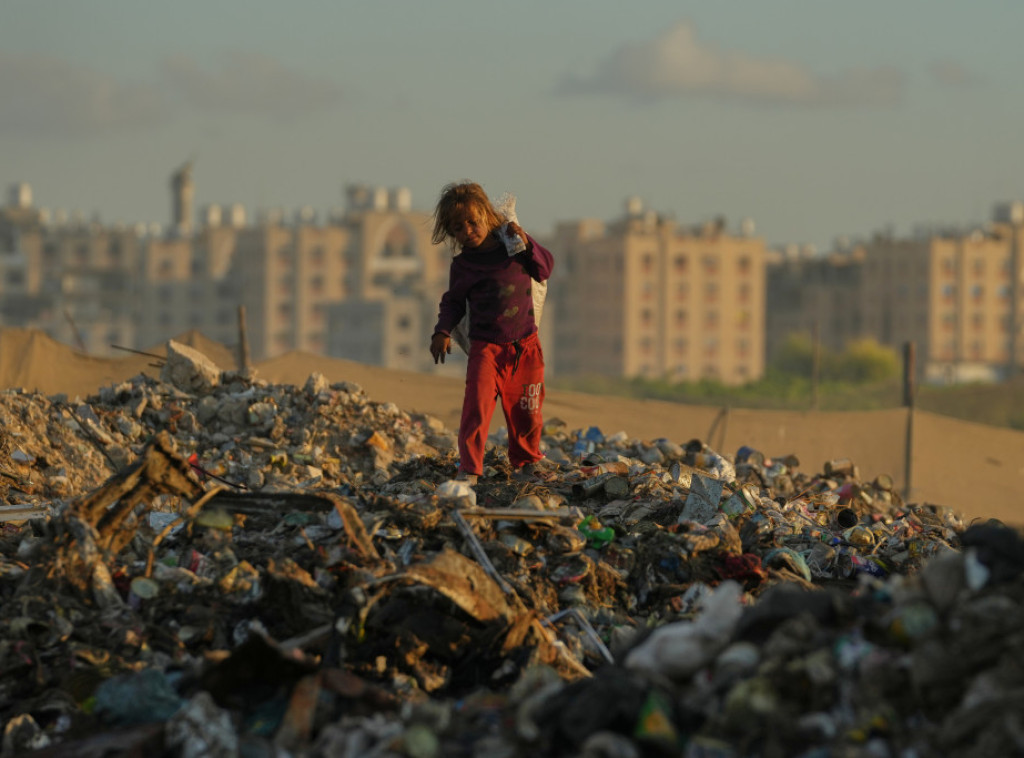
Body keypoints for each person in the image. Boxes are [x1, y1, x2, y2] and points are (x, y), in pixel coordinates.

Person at [429, 181, 554, 484]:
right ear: (451, 233)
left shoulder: (515, 248)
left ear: (487, 215)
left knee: (527, 411)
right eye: (459, 228)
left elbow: (545, 268)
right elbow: (454, 301)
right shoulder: (464, 265)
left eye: (473, 222)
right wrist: (442, 331)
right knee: (476, 408)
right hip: (486, 349)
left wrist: (527, 241)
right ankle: (470, 468)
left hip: (525, 347)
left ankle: (526, 462)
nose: (468, 231)